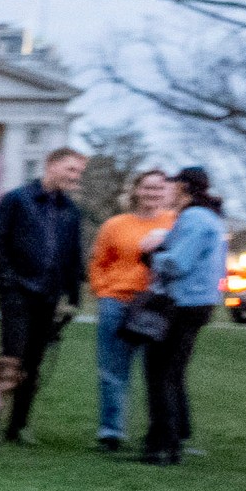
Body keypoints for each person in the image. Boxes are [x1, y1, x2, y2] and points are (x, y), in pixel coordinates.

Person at [0, 146, 89, 445]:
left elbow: (73, 257)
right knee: (10, 361)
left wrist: (73, 298)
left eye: (79, 173)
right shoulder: (17, 200)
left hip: (49, 297)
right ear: (51, 165)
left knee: (34, 363)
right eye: (71, 170)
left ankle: (18, 426)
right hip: (17, 294)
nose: (75, 177)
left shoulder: (70, 210)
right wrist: (7, 283)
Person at [136, 167, 225, 466]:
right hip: (196, 304)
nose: (168, 190)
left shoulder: (194, 218)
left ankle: (162, 445)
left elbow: (177, 263)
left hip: (181, 305)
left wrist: (151, 255)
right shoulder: (209, 218)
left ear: (184, 188)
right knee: (170, 374)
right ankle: (167, 442)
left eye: (172, 185)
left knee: (161, 374)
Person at [86, 169, 175, 452]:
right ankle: (111, 431)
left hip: (156, 305)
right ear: (136, 191)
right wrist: (103, 290)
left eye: (159, 188)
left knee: (159, 373)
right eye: (147, 187)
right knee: (113, 370)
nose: (153, 193)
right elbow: (98, 261)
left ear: (167, 192)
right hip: (118, 301)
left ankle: (159, 432)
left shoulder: (175, 223)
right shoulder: (116, 225)